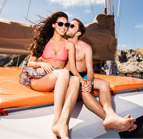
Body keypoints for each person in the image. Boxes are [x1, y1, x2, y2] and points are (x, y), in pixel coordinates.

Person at [19, 11, 91, 139]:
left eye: (66, 24)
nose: (64, 27)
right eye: (60, 24)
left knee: (74, 80)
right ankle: (56, 122)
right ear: (53, 25)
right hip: (41, 79)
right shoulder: (43, 41)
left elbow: (73, 69)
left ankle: (63, 123)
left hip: (59, 80)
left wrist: (83, 81)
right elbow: (30, 63)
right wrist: (41, 65)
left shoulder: (69, 45)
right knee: (64, 72)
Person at [65, 18, 137, 132]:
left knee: (104, 84)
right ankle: (114, 121)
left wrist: (89, 81)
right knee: (85, 91)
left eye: (71, 25)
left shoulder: (86, 47)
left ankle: (111, 114)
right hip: (70, 76)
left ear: (78, 33)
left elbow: (90, 69)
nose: (67, 26)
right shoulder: (63, 44)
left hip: (84, 75)